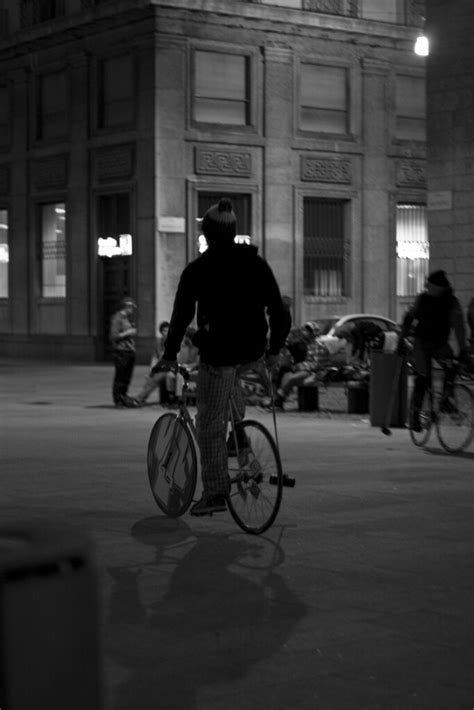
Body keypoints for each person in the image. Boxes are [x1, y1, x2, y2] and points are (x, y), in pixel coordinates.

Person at [152, 197, 289, 516]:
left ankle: (214, 491)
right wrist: (275, 350)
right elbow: (280, 310)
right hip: (253, 351)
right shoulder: (256, 263)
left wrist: (170, 354)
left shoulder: (199, 269)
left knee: (208, 424)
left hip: (220, 353)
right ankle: (238, 439)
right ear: (234, 232)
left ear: (206, 234)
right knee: (231, 386)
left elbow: (181, 315)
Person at [398, 269, 469, 432]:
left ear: (439, 287)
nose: (426, 288)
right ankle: (415, 416)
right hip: (421, 343)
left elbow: (459, 328)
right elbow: (409, 318)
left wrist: (463, 350)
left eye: (429, 285)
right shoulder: (422, 299)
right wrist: (403, 338)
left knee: (452, 365)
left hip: (439, 344)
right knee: (423, 377)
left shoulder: (452, 302)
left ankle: (445, 397)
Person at [272, 321, 322, 409]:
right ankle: (278, 401)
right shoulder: (304, 343)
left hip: (311, 371)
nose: (305, 332)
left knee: (292, 378)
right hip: (302, 368)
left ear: (313, 333)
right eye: (305, 330)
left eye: (308, 331)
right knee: (284, 374)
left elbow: (316, 364)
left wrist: (301, 366)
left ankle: (277, 399)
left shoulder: (318, 345)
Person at [134, 320, 174, 406]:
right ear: (161, 332)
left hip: (172, 367)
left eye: (168, 330)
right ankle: (141, 398)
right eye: (164, 331)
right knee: (152, 378)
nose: (166, 333)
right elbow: (155, 357)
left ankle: (139, 398)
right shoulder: (158, 342)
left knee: (155, 379)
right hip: (162, 367)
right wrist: (151, 369)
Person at [109, 297, 138, 408]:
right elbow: (113, 336)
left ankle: (123, 396)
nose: (132, 310)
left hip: (129, 350)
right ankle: (118, 399)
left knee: (127, 377)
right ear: (127, 306)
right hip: (121, 351)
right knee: (120, 377)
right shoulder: (118, 318)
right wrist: (128, 332)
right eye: (131, 307)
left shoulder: (127, 319)